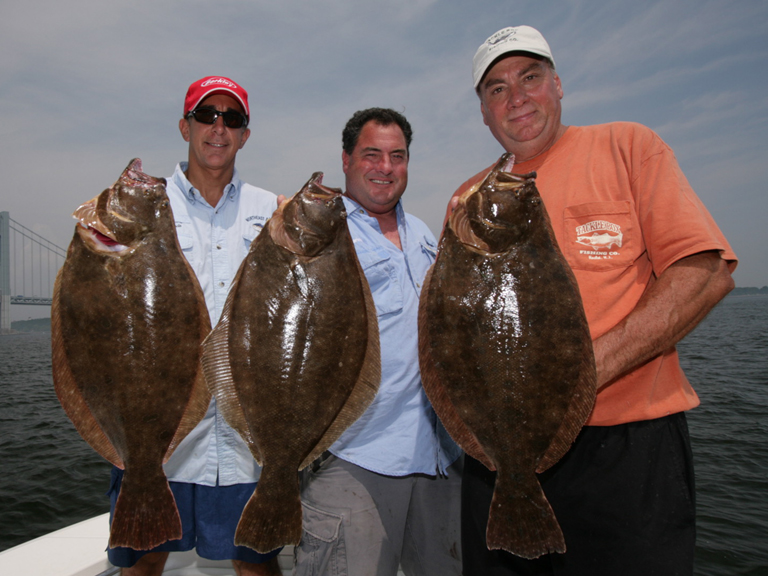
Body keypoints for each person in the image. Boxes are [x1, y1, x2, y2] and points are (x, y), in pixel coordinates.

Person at [450, 26, 738, 576]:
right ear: (484, 113)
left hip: (624, 449)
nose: (517, 97)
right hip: (497, 456)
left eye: (530, 77)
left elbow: (704, 272)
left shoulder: (628, 146)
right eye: (497, 88)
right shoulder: (465, 200)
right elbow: (450, 333)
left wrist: (581, 375)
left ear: (558, 85)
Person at [107, 76, 283, 576]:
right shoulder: (140, 205)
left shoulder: (274, 212)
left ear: (245, 135)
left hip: (247, 437)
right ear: (185, 126)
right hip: (156, 436)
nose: (219, 127)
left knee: (256, 564)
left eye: (233, 118)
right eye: (207, 115)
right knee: (143, 562)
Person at [292, 108, 463, 576]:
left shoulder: (425, 235)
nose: (385, 167)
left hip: (439, 460)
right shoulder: (318, 237)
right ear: (346, 160)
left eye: (397, 156)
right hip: (353, 459)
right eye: (371, 154)